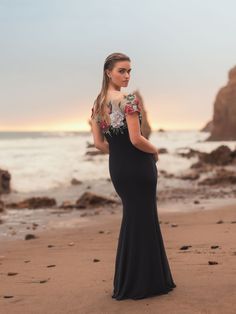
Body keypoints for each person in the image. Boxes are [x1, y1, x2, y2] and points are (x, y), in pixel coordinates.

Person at [90, 52, 176, 300]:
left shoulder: (97, 104)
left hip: (118, 168)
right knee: (144, 219)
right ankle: (146, 282)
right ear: (108, 72)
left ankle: (130, 281)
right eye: (122, 71)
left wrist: (119, 156)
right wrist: (155, 150)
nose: (127, 76)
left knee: (133, 219)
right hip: (139, 167)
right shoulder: (127, 98)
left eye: (129, 71)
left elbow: (98, 144)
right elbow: (137, 139)